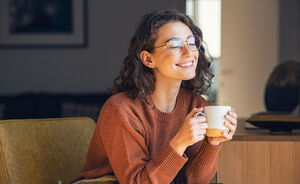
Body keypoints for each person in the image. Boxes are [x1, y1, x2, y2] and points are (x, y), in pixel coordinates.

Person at [72, 9, 237, 184]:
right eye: (175, 45)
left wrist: (212, 143)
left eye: (192, 42)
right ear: (148, 59)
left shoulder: (196, 105)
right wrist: (179, 143)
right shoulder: (121, 110)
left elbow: (192, 180)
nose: (189, 53)